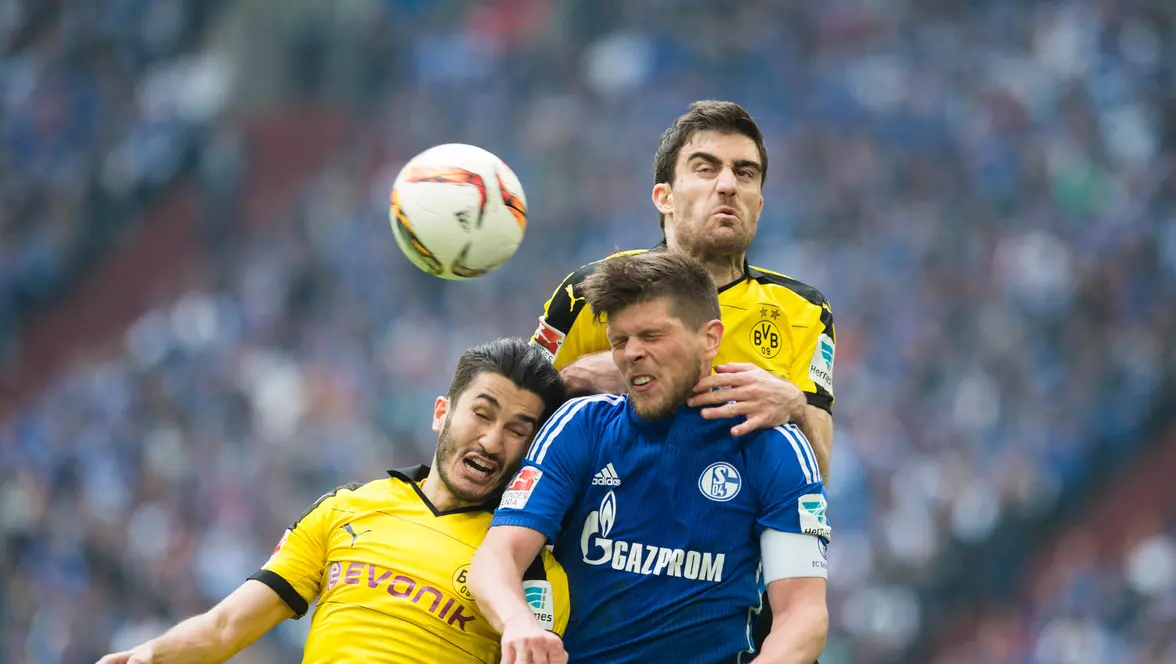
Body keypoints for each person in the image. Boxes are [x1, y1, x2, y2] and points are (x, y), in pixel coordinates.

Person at [97, 339, 571, 664]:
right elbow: (225, 627)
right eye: (482, 414)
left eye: (516, 430)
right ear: (441, 413)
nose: (491, 441)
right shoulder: (345, 509)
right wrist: (150, 655)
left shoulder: (527, 567)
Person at [472, 252, 830, 664]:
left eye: (652, 335)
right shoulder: (580, 426)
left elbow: (802, 616)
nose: (631, 354)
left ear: (710, 337)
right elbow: (497, 557)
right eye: (620, 341)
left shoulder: (773, 446)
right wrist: (518, 621)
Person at [530, 100, 836, 485]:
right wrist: (570, 382)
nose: (727, 185)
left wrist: (794, 407)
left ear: (758, 206)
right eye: (705, 169)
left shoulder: (804, 310)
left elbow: (820, 475)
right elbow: (513, 421)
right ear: (665, 197)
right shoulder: (588, 292)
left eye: (744, 173)